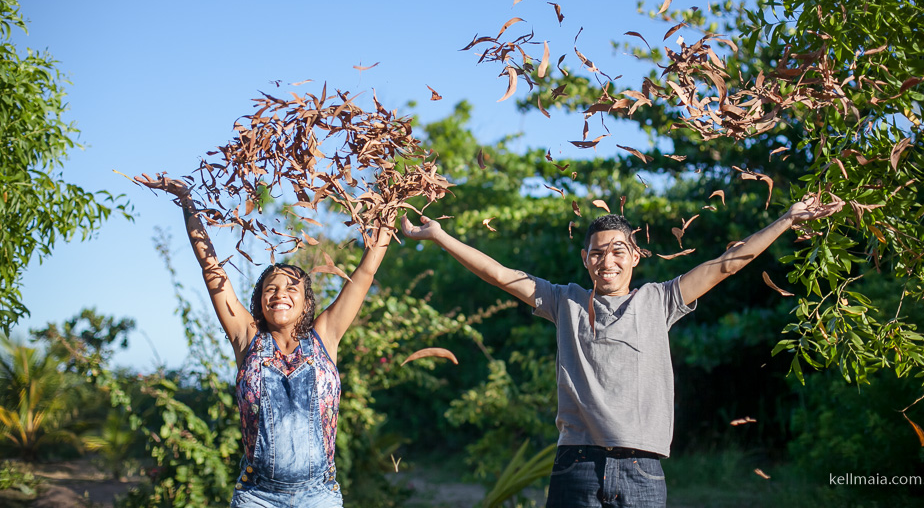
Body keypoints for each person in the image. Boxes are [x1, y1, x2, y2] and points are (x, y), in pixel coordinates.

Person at [401, 195, 841, 508]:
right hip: (577, 463)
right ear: (584, 258)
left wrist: (787, 218)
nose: (606, 261)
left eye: (617, 251)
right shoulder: (564, 300)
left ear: (635, 256)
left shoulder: (659, 300)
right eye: (597, 253)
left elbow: (729, 262)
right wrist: (441, 236)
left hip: (642, 470)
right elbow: (499, 274)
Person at [137, 174, 394, 508]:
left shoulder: (326, 335)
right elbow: (211, 267)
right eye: (271, 288)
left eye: (291, 288)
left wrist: (388, 218)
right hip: (257, 497)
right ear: (259, 299)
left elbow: (364, 275)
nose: (280, 294)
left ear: (307, 302)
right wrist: (187, 200)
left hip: (319, 496)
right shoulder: (247, 338)